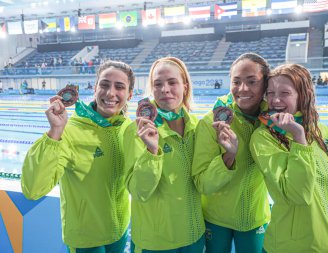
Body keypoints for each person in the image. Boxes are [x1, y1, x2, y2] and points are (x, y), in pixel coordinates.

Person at [250, 63, 328, 253]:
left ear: (303, 94)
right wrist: (298, 139)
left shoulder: (321, 131)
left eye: (284, 93)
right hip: (293, 247)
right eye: (270, 93)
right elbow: (297, 194)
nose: (275, 100)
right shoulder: (263, 138)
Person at [21, 60, 135, 253]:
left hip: (120, 231)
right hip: (86, 239)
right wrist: (55, 132)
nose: (110, 93)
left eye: (119, 87)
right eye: (104, 85)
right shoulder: (70, 131)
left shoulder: (127, 128)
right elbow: (33, 189)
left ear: (130, 94)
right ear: (95, 88)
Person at [123, 57, 205, 252]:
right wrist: (152, 152)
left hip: (195, 235)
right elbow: (139, 191)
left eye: (172, 82)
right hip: (156, 241)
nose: (165, 89)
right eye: (157, 84)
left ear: (185, 86)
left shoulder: (198, 126)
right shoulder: (137, 130)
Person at [192, 53, 271, 253]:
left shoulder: (272, 123)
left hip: (254, 218)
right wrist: (229, 157)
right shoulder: (211, 123)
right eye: (236, 82)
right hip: (216, 219)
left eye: (252, 81)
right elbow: (202, 183)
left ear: (265, 85)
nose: (243, 89)